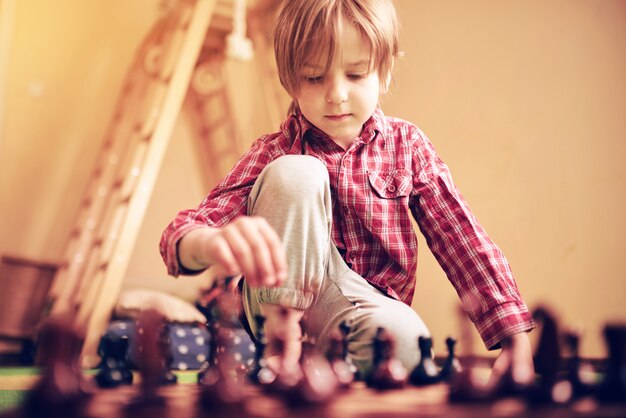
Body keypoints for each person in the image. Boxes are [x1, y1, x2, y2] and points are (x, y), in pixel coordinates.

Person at [160, 0, 535, 382]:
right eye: (314, 78)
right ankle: (282, 346)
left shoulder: (408, 146)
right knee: (296, 173)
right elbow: (184, 230)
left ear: (383, 74)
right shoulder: (272, 152)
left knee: (407, 342)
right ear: (290, 80)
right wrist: (208, 243)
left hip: (364, 311)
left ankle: (330, 372)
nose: (336, 94)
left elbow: (462, 238)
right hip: (275, 303)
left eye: (355, 75)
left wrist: (514, 339)